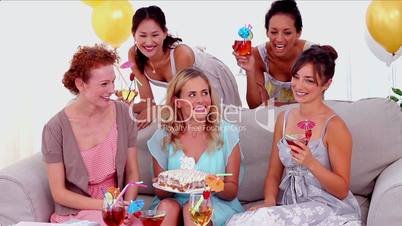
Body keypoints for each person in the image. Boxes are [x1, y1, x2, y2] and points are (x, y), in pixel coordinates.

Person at [227, 45, 362, 225]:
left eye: (309, 80)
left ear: (326, 84)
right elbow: (274, 174)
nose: (298, 86)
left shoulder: (335, 127)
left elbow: (342, 189)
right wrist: (269, 202)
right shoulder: (284, 118)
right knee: (240, 221)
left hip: (327, 207)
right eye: (296, 77)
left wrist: (311, 162)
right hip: (291, 206)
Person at [42, 44, 141, 225]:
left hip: (116, 206)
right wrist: (105, 206)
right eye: (104, 84)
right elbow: (59, 193)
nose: (112, 90)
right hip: (78, 211)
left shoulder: (123, 114)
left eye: (112, 81)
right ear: (80, 84)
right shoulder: (55, 129)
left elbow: (133, 172)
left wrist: (128, 207)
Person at [147, 67, 244, 226]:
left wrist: (214, 184)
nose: (201, 100)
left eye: (205, 93)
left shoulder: (227, 132)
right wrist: (164, 183)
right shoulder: (163, 136)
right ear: (177, 102)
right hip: (173, 203)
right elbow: (162, 194)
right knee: (167, 207)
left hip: (214, 203)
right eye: (192, 95)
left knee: (193, 208)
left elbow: (231, 191)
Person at [128, 5, 242, 129]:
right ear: (134, 35)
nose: (149, 42)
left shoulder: (181, 54)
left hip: (212, 79)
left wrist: (155, 110)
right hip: (186, 95)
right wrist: (122, 107)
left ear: (165, 33)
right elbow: (147, 102)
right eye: (143, 36)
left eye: (155, 35)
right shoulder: (134, 55)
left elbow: (185, 99)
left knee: (222, 125)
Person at [234, 0, 313, 108]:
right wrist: (250, 70)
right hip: (273, 119)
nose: (279, 39)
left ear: (298, 33)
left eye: (287, 33)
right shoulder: (258, 55)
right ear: (267, 32)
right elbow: (255, 106)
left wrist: (274, 105)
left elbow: (315, 102)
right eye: (274, 32)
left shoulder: (311, 54)